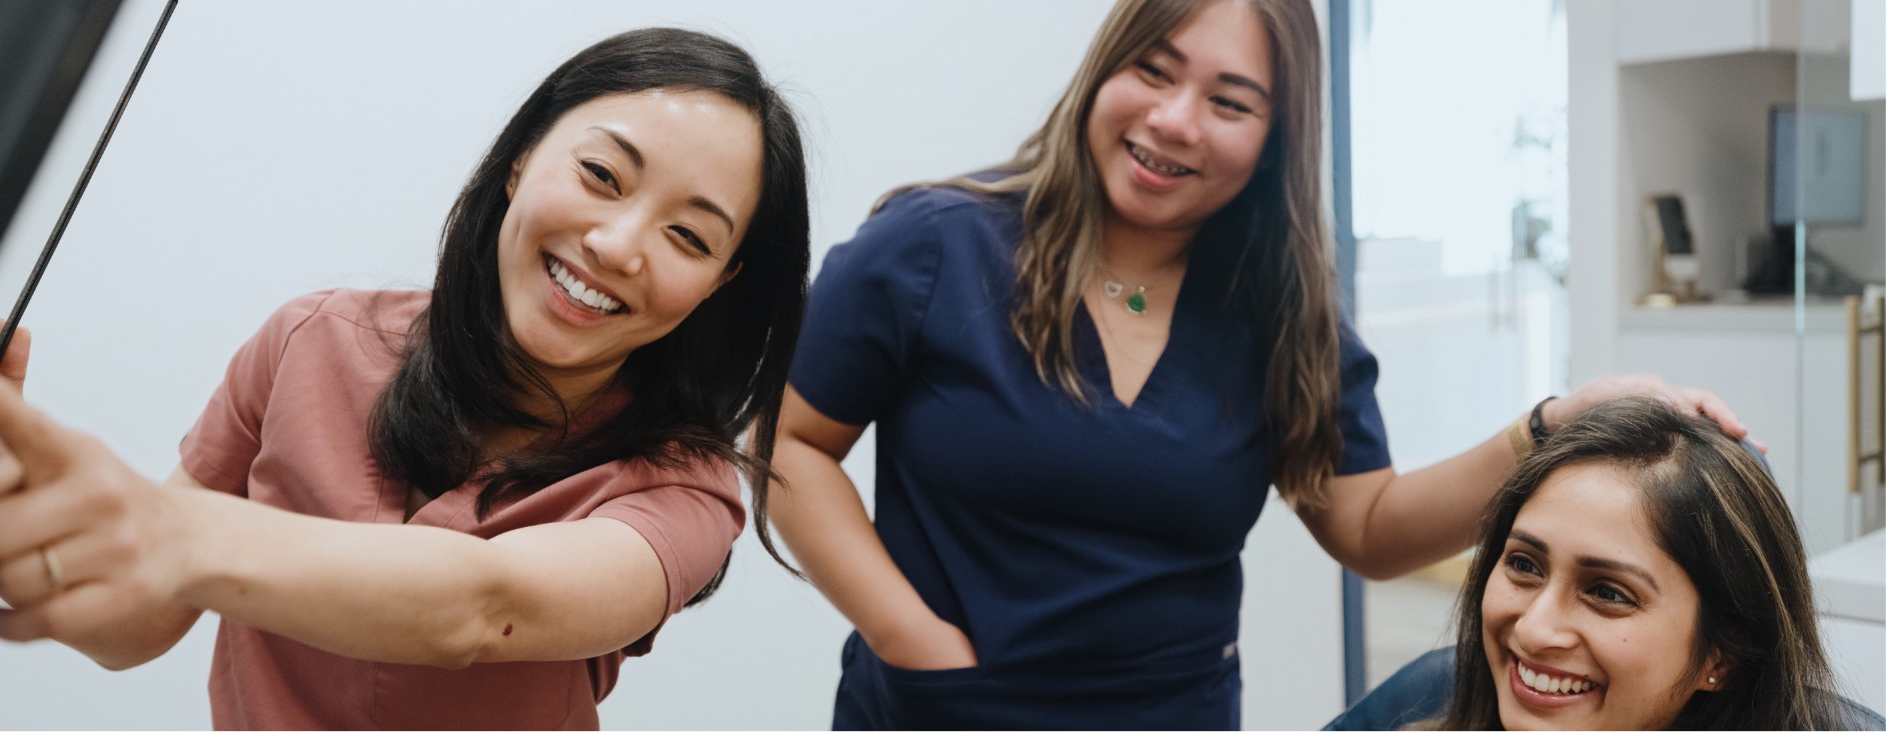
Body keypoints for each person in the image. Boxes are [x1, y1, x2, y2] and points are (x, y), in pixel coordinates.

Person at [768, 0, 1752, 728]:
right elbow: (791, 445)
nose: (1175, 121)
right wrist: (913, 641)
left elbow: (1369, 528)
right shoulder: (934, 244)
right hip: (935, 711)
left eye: (1230, 101)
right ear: (1103, 73)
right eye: (1153, 71)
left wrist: (1551, 425)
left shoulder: (1282, 314)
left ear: (1275, 139)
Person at [0, 27, 809, 730]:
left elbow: (478, 607)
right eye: (601, 176)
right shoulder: (310, 339)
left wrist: (174, 532)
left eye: (690, 239)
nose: (619, 245)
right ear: (521, 157)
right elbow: (132, 624)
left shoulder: (687, 488)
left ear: (719, 285)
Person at [1329, 396, 1882, 730]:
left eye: (1609, 593)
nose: (1534, 627)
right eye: (1524, 565)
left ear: (1724, 655)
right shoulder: (1420, 701)